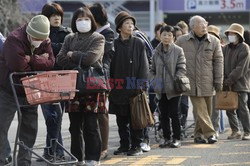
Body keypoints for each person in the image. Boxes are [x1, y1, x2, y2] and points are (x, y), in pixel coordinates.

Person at [0, 15, 54, 166]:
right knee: (1, 126)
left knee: (30, 128)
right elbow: (19, 67)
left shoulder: (45, 40)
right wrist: (38, 59)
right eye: (36, 37)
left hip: (30, 89)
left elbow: (51, 62)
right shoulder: (14, 39)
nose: (39, 41)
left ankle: (24, 162)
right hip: (8, 89)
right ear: (29, 33)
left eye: (42, 39)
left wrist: (30, 59)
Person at [56, 7, 105, 166]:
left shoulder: (98, 38)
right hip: (72, 85)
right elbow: (60, 58)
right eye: (79, 19)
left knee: (91, 124)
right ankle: (77, 158)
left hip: (91, 85)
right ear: (74, 22)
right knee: (74, 126)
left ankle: (93, 158)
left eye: (86, 19)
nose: (83, 22)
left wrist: (73, 54)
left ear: (91, 21)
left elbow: (91, 58)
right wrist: (77, 57)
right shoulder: (70, 38)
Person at [175, 15, 223, 144]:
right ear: (192, 27)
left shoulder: (214, 41)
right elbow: (174, 57)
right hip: (190, 81)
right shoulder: (182, 41)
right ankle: (211, 134)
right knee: (201, 110)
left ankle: (198, 135)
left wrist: (219, 80)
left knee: (206, 111)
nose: (204, 26)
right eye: (201, 24)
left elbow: (219, 61)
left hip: (208, 81)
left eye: (205, 24)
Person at [109, 11, 149, 156]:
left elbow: (144, 65)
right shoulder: (113, 44)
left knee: (135, 119)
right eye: (127, 23)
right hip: (118, 88)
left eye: (132, 24)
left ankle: (136, 145)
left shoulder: (138, 42)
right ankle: (124, 145)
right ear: (119, 27)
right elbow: (110, 66)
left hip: (134, 88)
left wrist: (141, 85)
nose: (131, 26)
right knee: (121, 119)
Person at [39, 2, 71, 161]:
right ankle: (52, 150)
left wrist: (50, 49)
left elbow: (65, 52)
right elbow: (37, 52)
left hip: (63, 79)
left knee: (56, 116)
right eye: (52, 15)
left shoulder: (67, 33)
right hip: (44, 79)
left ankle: (54, 151)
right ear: (46, 17)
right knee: (50, 117)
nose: (56, 18)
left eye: (58, 15)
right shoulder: (41, 33)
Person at [149, 25, 186, 148]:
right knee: (163, 114)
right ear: (160, 36)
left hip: (174, 88)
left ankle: (176, 138)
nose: (166, 37)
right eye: (164, 35)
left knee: (174, 114)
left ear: (173, 37)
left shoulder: (178, 51)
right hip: (160, 88)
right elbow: (151, 69)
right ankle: (166, 137)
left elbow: (182, 68)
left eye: (170, 35)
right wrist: (154, 81)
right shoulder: (156, 52)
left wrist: (176, 79)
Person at [89, 2, 114, 160]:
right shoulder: (91, 32)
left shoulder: (108, 33)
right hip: (88, 78)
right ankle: (93, 147)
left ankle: (104, 148)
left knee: (101, 113)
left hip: (101, 78)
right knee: (90, 114)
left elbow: (106, 57)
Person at [223, 23, 250, 140]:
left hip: (241, 84)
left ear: (239, 35)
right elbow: (221, 64)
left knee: (243, 108)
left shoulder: (245, 48)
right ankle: (235, 131)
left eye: (233, 33)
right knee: (229, 107)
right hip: (228, 83)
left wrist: (229, 80)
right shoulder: (226, 48)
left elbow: (241, 68)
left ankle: (247, 131)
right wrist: (224, 80)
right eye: (229, 33)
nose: (230, 35)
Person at [207, 25, 225, 138]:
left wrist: (221, 80)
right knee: (204, 108)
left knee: (215, 108)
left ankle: (216, 128)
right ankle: (205, 130)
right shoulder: (201, 46)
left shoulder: (222, 48)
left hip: (216, 81)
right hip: (204, 81)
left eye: (214, 35)